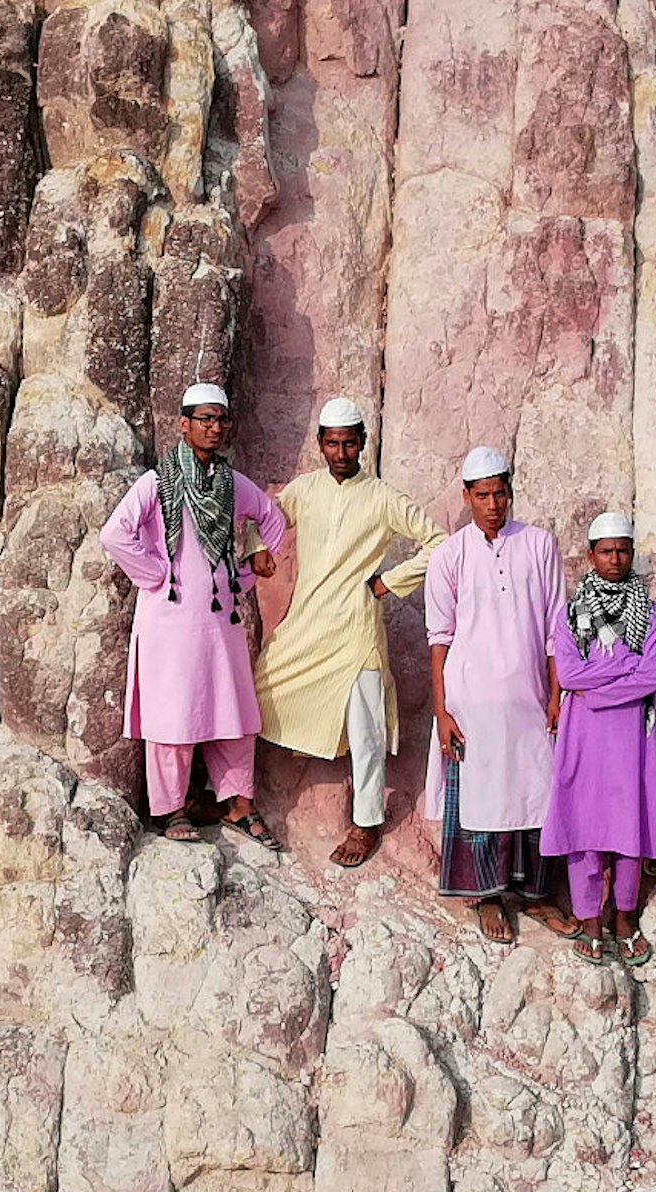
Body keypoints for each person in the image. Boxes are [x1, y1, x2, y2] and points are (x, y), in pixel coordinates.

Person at [99, 382, 289, 845]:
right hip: (169, 621)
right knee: (173, 717)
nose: (214, 427)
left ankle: (238, 804)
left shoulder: (230, 483)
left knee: (233, 712)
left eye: (221, 419)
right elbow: (115, 534)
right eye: (205, 419)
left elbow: (271, 517)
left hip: (219, 620)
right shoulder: (157, 482)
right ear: (183, 425)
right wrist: (157, 574)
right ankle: (170, 809)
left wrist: (251, 566)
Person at [255, 395, 442, 865]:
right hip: (306, 622)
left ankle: (366, 823)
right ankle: (233, 796)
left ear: (362, 443)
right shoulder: (305, 489)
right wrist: (258, 548)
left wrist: (387, 582)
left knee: (367, 731)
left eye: (349, 443)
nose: (341, 453)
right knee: (252, 695)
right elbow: (268, 517)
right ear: (321, 444)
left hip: (356, 629)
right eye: (333, 444)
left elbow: (439, 542)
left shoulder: (382, 497)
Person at [421, 447, 568, 942]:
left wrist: (555, 694)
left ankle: (538, 896)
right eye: (481, 495)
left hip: (530, 699)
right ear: (466, 497)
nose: (492, 503)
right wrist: (442, 710)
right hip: (472, 701)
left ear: (510, 491)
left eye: (499, 492)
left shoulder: (540, 545)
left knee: (536, 796)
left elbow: (555, 628)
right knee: (482, 802)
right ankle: (487, 897)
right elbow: (438, 637)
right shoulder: (449, 555)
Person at [544, 511, 656, 967]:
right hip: (584, 736)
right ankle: (589, 920)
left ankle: (624, 919)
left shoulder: (651, 615)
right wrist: (623, 669)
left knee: (629, 827)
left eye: (623, 550)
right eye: (606, 550)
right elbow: (569, 673)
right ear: (590, 555)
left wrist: (593, 688)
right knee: (585, 826)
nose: (615, 558)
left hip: (632, 740)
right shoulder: (571, 615)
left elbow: (654, 674)